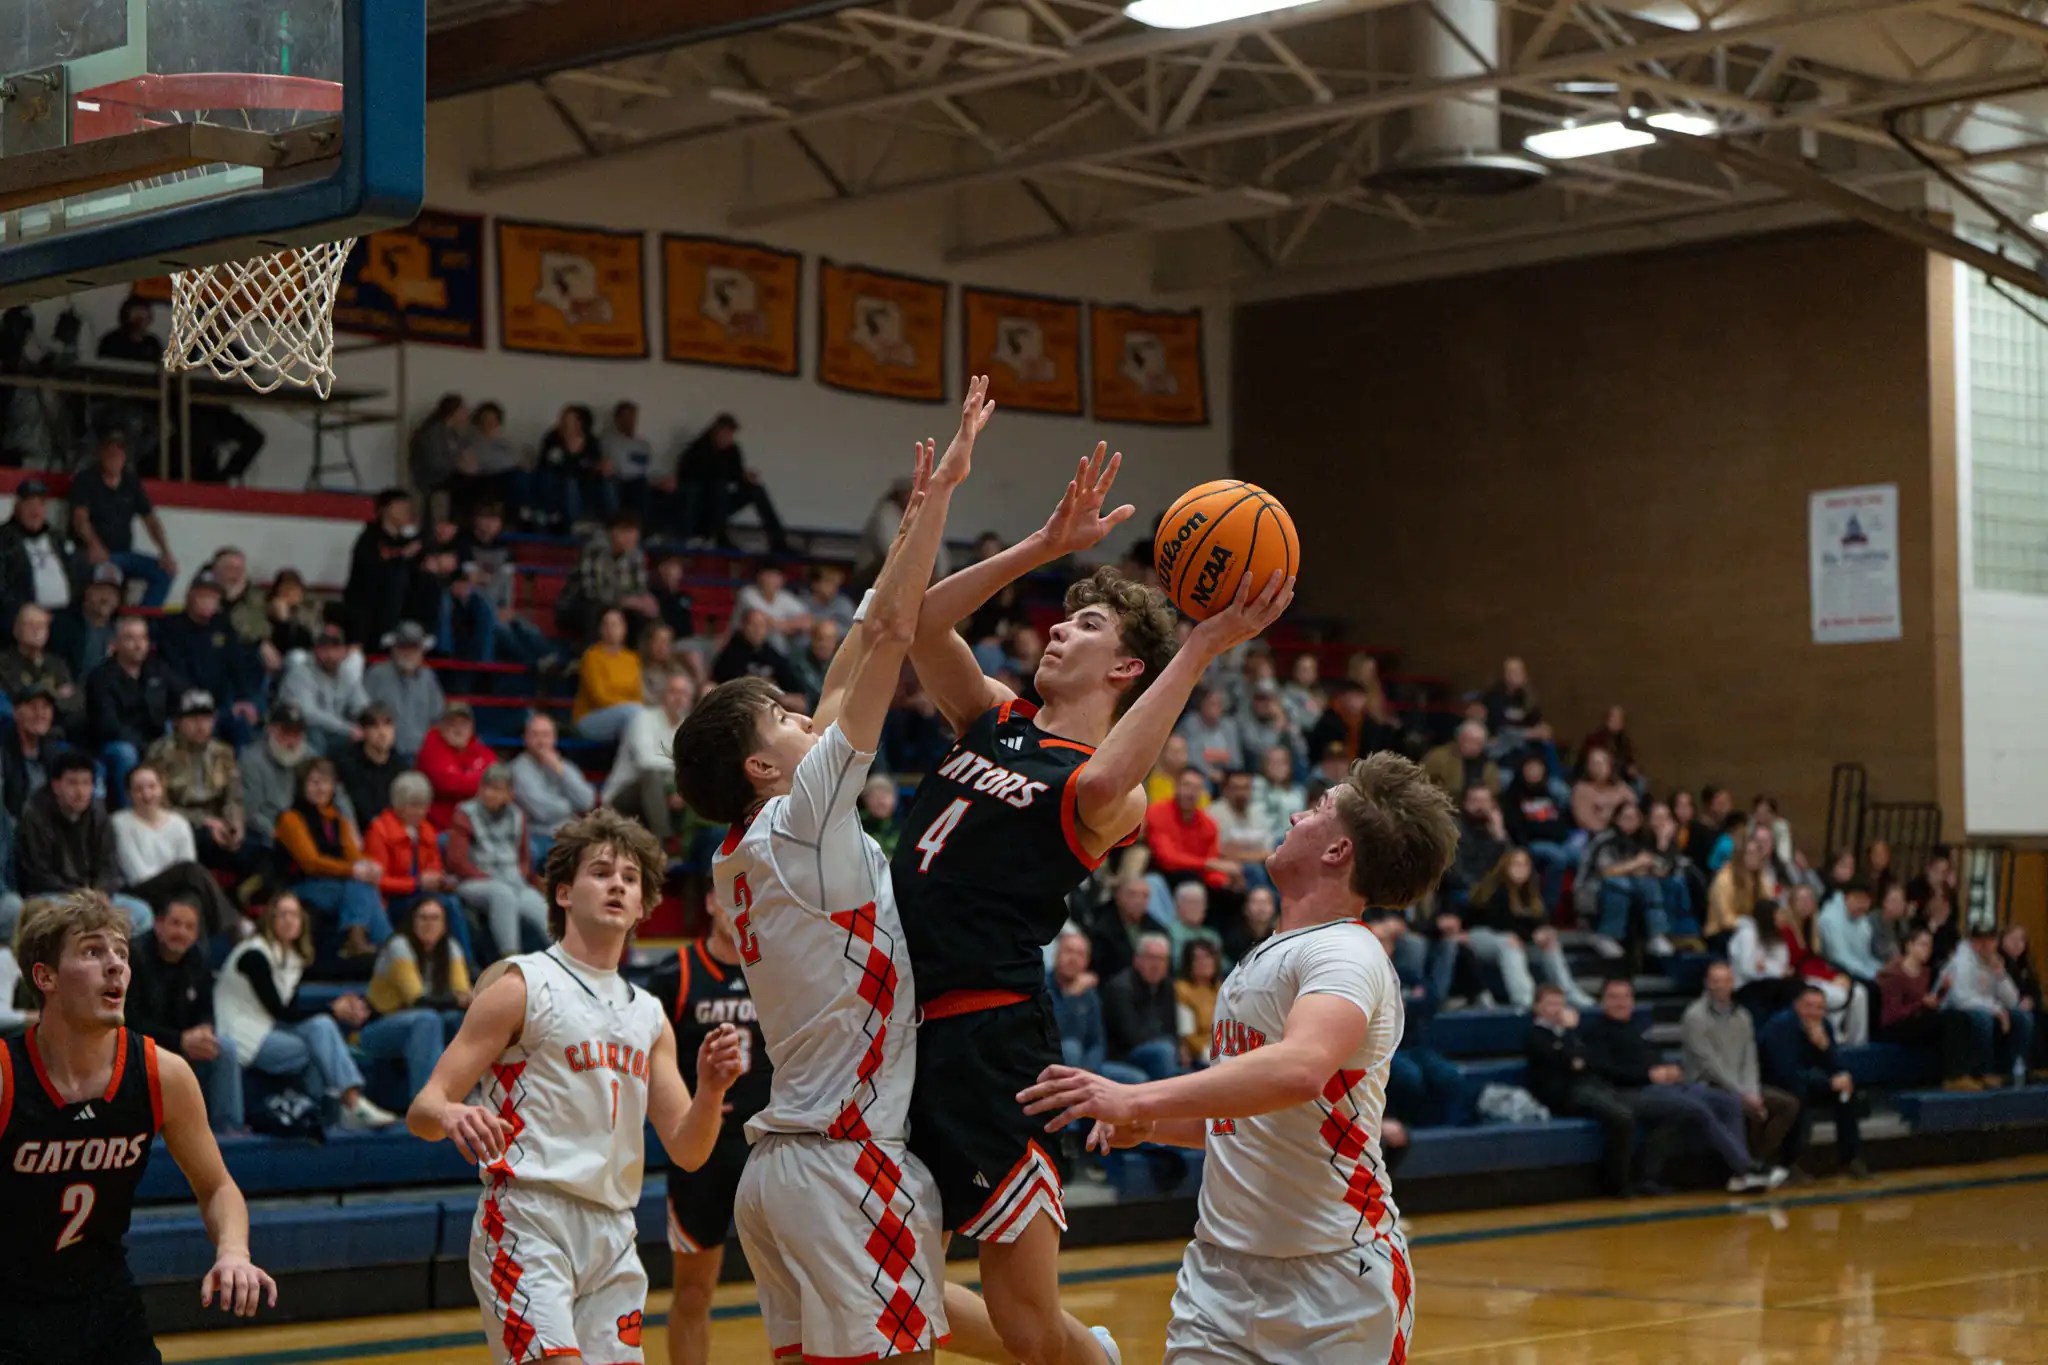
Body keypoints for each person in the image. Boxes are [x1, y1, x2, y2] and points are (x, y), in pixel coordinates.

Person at [894, 432, 1290, 1365]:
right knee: (894, 1284)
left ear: (1124, 672)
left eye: (1085, 628)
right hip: (901, 1032)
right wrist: (1040, 547)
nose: (1057, 629)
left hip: (993, 1042)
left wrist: (1197, 644)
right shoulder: (992, 714)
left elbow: (1109, 788)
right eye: (1060, 621)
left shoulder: (1108, 785)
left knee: (1028, 1322)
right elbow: (914, 622)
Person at [669, 386, 991, 1365]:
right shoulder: (804, 815)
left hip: (777, 1175)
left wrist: (910, 527)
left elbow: (851, 653)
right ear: (764, 766)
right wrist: (938, 506)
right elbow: (886, 645)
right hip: (846, 1161)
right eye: (785, 717)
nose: (808, 717)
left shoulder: (742, 851)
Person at [1019, 753, 1461, 1364]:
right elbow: (1249, 1117)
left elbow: (1300, 1069)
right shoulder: (1271, 953)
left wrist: (1137, 1096)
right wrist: (1152, 1126)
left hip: (1334, 1281)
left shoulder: (1347, 955)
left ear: (1337, 851)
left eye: (1317, 810)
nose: (1298, 816)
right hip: (1221, 1278)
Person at [406, 808, 744, 1365]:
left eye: (630, 878)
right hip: (528, 1219)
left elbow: (688, 1150)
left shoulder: (649, 1016)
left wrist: (709, 1089)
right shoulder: (522, 984)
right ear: (563, 893)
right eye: (602, 872)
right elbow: (423, 1107)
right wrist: (451, 1115)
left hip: (613, 1232)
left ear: (642, 905)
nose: (617, 884)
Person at [0, 891, 278, 1363]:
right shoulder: (7, 1075)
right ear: (45, 977)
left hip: (106, 1305)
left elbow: (216, 1186)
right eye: (92, 951)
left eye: (122, 954)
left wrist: (234, 1251)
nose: (116, 966)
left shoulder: (162, 1074)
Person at [648, 907, 776, 1365]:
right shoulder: (675, 973)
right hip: (702, 1150)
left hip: (770, 1146)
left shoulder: (780, 970)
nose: (734, 908)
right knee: (694, 1290)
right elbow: (648, 1054)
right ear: (707, 902)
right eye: (724, 896)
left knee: (798, 1289)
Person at [1580, 978, 1784, 1194]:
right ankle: (1746, 1168)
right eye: (1614, 997)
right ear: (1602, 1001)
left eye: (1625, 997)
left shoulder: (1636, 1027)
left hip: (1662, 1087)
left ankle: (1737, 1170)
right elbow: (1605, 1070)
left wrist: (1669, 1070)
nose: (1620, 1002)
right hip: (1627, 1093)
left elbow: (1651, 1059)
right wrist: (1648, 1075)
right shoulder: (1595, 1032)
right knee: (1695, 1107)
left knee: (1729, 1101)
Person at [215, 894, 399, 1129]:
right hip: (241, 1033)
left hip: (267, 1027)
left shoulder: (290, 957)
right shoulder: (254, 954)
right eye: (281, 914)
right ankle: (339, 1108)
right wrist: (335, 1009)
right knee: (317, 1044)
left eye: (294, 915)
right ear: (269, 920)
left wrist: (337, 1008)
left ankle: (346, 1103)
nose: (288, 920)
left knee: (321, 1026)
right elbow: (280, 1011)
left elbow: (291, 1008)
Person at [126, 896, 245, 1134]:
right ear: (159, 924)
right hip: (140, 1048)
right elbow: (129, 1022)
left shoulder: (197, 959)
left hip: (183, 1046)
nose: (181, 932)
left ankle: (228, 1130)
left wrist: (204, 1030)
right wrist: (179, 1039)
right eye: (175, 923)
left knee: (225, 1049)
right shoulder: (134, 956)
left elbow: (206, 1010)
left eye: (189, 927)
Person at [1524, 983, 1642, 1194]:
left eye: (1561, 1003)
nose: (1557, 1009)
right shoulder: (1535, 1035)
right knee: (1622, 1117)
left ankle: (1638, 1175)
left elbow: (1583, 1061)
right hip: (1562, 1094)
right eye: (1551, 1004)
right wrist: (1570, 1035)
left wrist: (1572, 1052)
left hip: (1586, 1085)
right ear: (1537, 1007)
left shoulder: (1568, 1035)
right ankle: (1616, 1182)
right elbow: (1571, 1061)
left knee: (1633, 1107)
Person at [18, 750, 153, 934]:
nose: (80, 791)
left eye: (86, 783)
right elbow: (39, 875)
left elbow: (109, 866)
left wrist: (100, 893)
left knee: (142, 913)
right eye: (72, 783)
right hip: (55, 896)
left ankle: (114, 959)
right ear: (56, 786)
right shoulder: (36, 815)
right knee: (50, 914)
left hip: (94, 897)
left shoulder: (98, 814)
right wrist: (81, 895)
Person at [1680, 962, 1799, 1170]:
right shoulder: (1694, 1017)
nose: (1721, 986)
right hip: (1707, 1085)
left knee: (1788, 1104)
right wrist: (1744, 1095)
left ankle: (1758, 1160)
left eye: (1726, 981)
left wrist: (1752, 1091)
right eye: (1715, 981)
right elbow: (1709, 1065)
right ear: (1707, 983)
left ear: (1733, 984)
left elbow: (1750, 1057)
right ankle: (1744, 1166)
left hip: (1741, 1085)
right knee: (1739, 1106)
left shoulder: (1743, 1015)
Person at [273, 757, 391, 959]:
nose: (321, 789)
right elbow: (311, 862)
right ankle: (380, 944)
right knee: (359, 885)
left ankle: (379, 945)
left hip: (335, 885)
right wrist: (352, 870)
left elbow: (354, 856)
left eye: (326, 783)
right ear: (302, 786)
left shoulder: (338, 820)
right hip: (301, 885)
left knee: (364, 885)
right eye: (314, 783)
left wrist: (368, 867)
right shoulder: (290, 819)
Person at [111, 763, 238, 935]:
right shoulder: (119, 823)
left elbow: (189, 874)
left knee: (192, 901)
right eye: (139, 789)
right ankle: (234, 926)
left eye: (152, 787)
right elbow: (137, 875)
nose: (147, 794)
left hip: (177, 889)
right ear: (129, 794)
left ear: (161, 788)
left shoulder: (179, 823)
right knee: (190, 871)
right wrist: (176, 880)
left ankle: (199, 957)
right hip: (141, 890)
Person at [1757, 985, 1867, 1176]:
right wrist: (1828, 1082)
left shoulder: (1823, 1025)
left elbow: (1835, 1066)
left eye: (1819, 1008)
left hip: (1809, 1080)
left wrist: (1826, 1049)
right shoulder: (1780, 1026)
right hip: (1773, 1082)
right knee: (1798, 1094)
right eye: (1809, 1006)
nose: (1814, 1013)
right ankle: (1790, 1161)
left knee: (1845, 1092)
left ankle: (1850, 1158)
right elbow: (1785, 1072)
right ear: (1796, 1006)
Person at [366, 771, 471, 959]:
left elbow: (434, 865)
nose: (420, 812)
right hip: (392, 900)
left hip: (422, 894)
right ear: (398, 804)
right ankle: (463, 964)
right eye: (414, 806)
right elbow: (378, 881)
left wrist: (439, 880)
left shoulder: (426, 830)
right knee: (446, 905)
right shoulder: (379, 830)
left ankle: (460, 962)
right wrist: (416, 883)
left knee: (453, 902)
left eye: (423, 806)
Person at [448, 764, 548, 962]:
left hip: (513, 881)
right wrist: (489, 878)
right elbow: (456, 861)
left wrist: (519, 876)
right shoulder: (465, 814)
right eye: (487, 787)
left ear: (509, 794)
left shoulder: (518, 816)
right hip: (474, 881)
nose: (490, 794)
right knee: (502, 895)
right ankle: (511, 960)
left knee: (540, 906)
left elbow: (524, 856)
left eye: (497, 789)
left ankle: (569, 963)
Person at [153, 569, 262, 748]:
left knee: (241, 725)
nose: (208, 602)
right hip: (183, 705)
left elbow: (236, 663)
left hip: (220, 704)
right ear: (190, 597)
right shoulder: (171, 626)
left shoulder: (223, 625)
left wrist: (244, 698)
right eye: (203, 596)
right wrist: (202, 702)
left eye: (213, 597)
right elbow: (172, 669)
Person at [69, 429, 177, 607]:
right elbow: (80, 519)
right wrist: (94, 546)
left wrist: (166, 553)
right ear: (101, 454)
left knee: (165, 572)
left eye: (119, 453)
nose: (115, 457)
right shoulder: (86, 479)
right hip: (90, 552)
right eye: (110, 452)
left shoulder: (131, 481)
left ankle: (142, 622)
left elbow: (150, 520)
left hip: (124, 554)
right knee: (101, 570)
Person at [85, 614, 181, 803]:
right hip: (115, 744)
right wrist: (148, 745)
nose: (139, 644)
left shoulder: (157, 669)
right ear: (115, 643)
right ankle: (132, 811)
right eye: (130, 638)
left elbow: (181, 698)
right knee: (126, 753)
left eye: (143, 638)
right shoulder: (101, 677)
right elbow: (108, 726)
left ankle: (173, 807)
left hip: (155, 739)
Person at [674, 412, 790, 553]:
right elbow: (690, 478)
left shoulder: (732, 451)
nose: (728, 438)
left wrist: (746, 478)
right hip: (701, 506)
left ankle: (778, 541)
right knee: (718, 486)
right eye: (725, 433)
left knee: (756, 490)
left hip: (721, 504)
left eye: (731, 434)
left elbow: (736, 477)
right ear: (716, 431)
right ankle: (719, 537)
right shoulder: (697, 450)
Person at [1877, 927, 1979, 1087]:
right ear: (1909, 946)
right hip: (1897, 1025)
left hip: (1918, 1018)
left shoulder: (1926, 972)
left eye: (1929, 946)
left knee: (1961, 1017)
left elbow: (1928, 1002)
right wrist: (1921, 1004)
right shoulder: (1893, 974)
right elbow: (1893, 1012)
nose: (1927, 950)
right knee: (1950, 1021)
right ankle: (1954, 1076)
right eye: (1922, 945)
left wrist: (1941, 992)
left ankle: (1967, 1073)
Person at [604, 671, 695, 844]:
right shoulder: (643, 719)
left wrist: (679, 789)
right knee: (652, 775)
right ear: (663, 695)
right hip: (624, 795)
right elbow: (645, 761)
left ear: (690, 699)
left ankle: (693, 845)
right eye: (673, 691)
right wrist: (675, 782)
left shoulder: (687, 727)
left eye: (683, 693)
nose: (678, 698)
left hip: (664, 796)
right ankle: (665, 841)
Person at [1941, 926, 2036, 1088]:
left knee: (2023, 1017)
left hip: (1985, 1008)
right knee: (1983, 1019)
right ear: (1972, 943)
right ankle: (1982, 1072)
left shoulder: (1995, 961)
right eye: (1980, 941)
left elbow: (2012, 1001)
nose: (1985, 945)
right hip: (1956, 1010)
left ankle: (2013, 1069)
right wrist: (1996, 1010)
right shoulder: (1961, 961)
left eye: (1990, 941)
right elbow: (1961, 998)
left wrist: (2000, 974)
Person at [366, 897, 473, 1034]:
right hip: (383, 1021)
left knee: (460, 1018)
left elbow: (461, 991)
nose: (429, 924)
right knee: (427, 1019)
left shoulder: (451, 947)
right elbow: (416, 1000)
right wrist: (459, 1000)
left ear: (444, 925)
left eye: (435, 918)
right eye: (423, 918)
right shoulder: (399, 946)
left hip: (427, 1017)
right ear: (412, 922)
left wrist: (465, 998)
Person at [557, 513, 659, 644]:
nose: (631, 538)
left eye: (634, 533)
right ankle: (592, 655)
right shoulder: (595, 550)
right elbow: (593, 592)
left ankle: (634, 660)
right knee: (598, 612)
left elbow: (639, 590)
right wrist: (626, 601)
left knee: (643, 616)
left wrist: (643, 601)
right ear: (612, 532)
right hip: (577, 605)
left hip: (618, 603)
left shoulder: (636, 555)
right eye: (625, 532)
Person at [0, 477, 82, 634]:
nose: (35, 510)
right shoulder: (4, 539)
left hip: (63, 615)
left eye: (40, 504)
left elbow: (77, 572)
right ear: (17, 506)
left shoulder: (58, 539)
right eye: (29, 504)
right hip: (22, 618)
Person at [279, 623, 371, 759]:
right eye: (324, 648)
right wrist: (348, 729)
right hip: (299, 734)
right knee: (316, 734)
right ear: (315, 650)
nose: (329, 653)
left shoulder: (346, 674)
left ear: (345, 651)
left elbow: (363, 707)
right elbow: (308, 714)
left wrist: (371, 726)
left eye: (335, 647)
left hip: (335, 735)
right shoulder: (300, 673)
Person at [342, 489, 421, 648]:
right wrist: (401, 556)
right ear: (385, 509)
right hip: (369, 601)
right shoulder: (369, 538)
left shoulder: (409, 540)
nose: (405, 511)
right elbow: (368, 570)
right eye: (399, 506)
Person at [509, 711, 595, 852]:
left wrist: (560, 771)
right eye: (535, 735)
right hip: (537, 835)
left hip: (570, 834)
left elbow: (587, 801)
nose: (541, 741)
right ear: (525, 739)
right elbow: (541, 811)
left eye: (545, 735)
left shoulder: (565, 766)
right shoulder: (518, 769)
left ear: (554, 738)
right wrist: (571, 807)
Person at [1103, 932, 1182, 1081]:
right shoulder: (1121, 987)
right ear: (1137, 960)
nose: (1156, 965)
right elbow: (1130, 1036)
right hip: (1124, 1055)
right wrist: (1165, 1043)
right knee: (1164, 1051)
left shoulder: (1168, 987)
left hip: (1161, 1051)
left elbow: (1172, 1029)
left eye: (1162, 959)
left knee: (1191, 1074)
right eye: (1151, 958)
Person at [364, 622, 446, 760]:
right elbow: (364, 715)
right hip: (384, 755)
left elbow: (438, 717)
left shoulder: (428, 677)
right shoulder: (376, 675)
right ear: (393, 649)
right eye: (403, 647)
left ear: (422, 651)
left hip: (422, 756)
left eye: (413, 648)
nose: (408, 653)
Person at [0, 602, 83, 735]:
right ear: (16, 629)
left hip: (55, 735)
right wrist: (56, 695)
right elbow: (14, 700)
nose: (37, 630)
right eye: (30, 625)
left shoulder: (57, 664)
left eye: (42, 625)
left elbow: (75, 703)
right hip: (15, 738)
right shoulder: (3, 663)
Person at [240, 703, 312, 848]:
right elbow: (250, 812)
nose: (292, 741)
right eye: (286, 732)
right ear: (270, 730)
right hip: (268, 833)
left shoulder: (308, 756)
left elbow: (336, 794)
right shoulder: (252, 761)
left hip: (304, 829)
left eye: (297, 733)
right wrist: (279, 834)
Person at [417, 702, 496, 831]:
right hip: (442, 829)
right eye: (452, 724)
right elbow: (448, 784)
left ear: (472, 728)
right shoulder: (431, 747)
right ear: (441, 726)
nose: (458, 730)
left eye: (464, 725)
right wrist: (483, 783)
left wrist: (467, 779)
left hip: (478, 827)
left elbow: (497, 778)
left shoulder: (480, 748)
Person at [573, 607, 644, 744]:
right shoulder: (591, 657)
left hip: (627, 715)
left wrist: (627, 704)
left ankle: (628, 763)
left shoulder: (632, 658)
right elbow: (600, 697)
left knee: (638, 717)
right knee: (635, 713)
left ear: (624, 628)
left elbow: (638, 694)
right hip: (591, 717)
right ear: (600, 629)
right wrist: (626, 703)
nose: (611, 629)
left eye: (616, 624)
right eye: (606, 624)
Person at [335, 700, 404, 831]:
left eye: (387, 725)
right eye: (375, 726)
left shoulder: (400, 765)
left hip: (395, 832)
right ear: (364, 731)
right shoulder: (348, 764)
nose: (382, 732)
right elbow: (362, 811)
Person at [52, 563, 123, 683]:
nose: (106, 598)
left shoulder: (119, 630)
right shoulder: (63, 625)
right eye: (100, 590)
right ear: (86, 591)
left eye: (112, 593)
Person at [710, 608, 802, 692]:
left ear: (767, 629)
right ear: (744, 627)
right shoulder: (730, 652)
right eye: (753, 625)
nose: (757, 630)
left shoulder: (772, 653)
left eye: (761, 625)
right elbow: (726, 682)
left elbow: (790, 684)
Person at [1421, 719, 1499, 798]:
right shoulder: (1439, 756)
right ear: (1459, 738)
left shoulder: (1488, 764)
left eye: (1478, 743)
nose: (1473, 746)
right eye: (1469, 740)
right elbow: (1421, 781)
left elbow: (1494, 791)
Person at [1175, 938, 1223, 1066]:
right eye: (1198, 959)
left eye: (1209, 957)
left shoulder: (1221, 989)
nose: (1205, 963)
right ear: (1189, 963)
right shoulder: (1182, 990)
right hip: (1200, 1051)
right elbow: (1187, 1035)